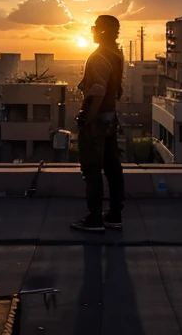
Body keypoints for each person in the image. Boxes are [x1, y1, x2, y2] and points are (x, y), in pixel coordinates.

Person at [71, 14, 125, 233]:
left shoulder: (99, 56)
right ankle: (114, 215)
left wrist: (87, 119)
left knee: (92, 169)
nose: (92, 31)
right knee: (112, 167)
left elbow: (98, 90)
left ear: (101, 31)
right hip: (111, 117)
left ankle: (94, 218)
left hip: (98, 120)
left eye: (95, 28)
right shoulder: (116, 54)